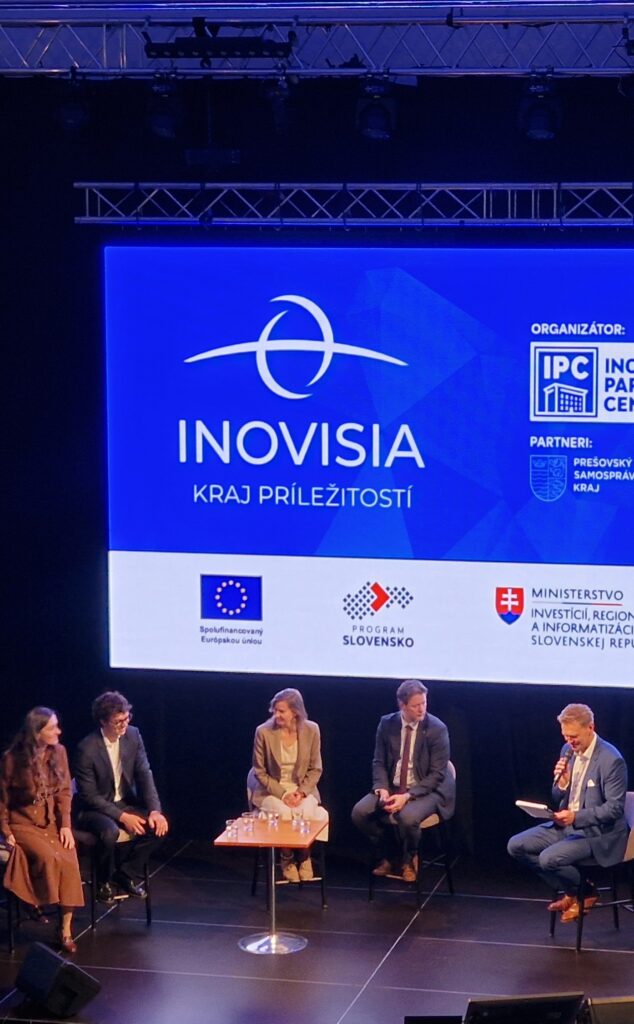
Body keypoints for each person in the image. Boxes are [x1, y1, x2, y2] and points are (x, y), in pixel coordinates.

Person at [507, 703, 628, 923]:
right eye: (565, 736)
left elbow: (614, 809)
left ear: (590, 727)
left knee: (549, 859)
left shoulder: (611, 760)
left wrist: (576, 817)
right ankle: (578, 890)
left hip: (599, 833)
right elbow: (557, 797)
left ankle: (582, 892)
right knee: (516, 846)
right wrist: (562, 784)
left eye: (574, 736)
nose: (569, 742)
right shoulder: (568, 751)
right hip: (567, 825)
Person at [351, 679, 455, 883]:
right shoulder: (387, 724)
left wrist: (407, 796)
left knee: (407, 818)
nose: (421, 709)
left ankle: (409, 858)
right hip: (393, 786)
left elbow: (437, 775)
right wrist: (382, 788)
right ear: (402, 705)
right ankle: (389, 854)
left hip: (427, 790)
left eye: (424, 703)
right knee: (360, 813)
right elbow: (379, 761)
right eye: (416, 705)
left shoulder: (437, 728)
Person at [0, 707, 84, 954]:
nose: (59, 731)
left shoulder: (59, 752)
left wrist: (66, 825)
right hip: (22, 824)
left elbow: (64, 792)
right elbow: (2, 801)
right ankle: (31, 900)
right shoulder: (12, 759)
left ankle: (65, 930)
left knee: (69, 860)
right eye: (52, 728)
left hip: (51, 824)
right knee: (48, 857)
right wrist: (6, 831)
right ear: (37, 733)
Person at [73, 691, 168, 902]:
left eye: (127, 718)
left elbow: (144, 773)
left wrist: (155, 810)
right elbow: (89, 796)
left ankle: (124, 874)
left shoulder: (133, 735)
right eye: (118, 721)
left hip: (123, 802)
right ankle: (103, 881)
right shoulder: (86, 749)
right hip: (93, 808)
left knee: (158, 828)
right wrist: (123, 817)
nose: (124, 724)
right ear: (103, 721)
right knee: (109, 832)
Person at [248, 688, 329, 882]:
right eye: (275, 710)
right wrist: (284, 794)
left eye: (281, 711)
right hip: (272, 790)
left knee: (308, 812)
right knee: (283, 813)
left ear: (295, 712)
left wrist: (301, 793)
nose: (276, 715)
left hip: (302, 789)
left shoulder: (312, 730)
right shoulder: (263, 732)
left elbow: (315, 769)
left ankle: (304, 854)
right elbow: (259, 772)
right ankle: (287, 857)